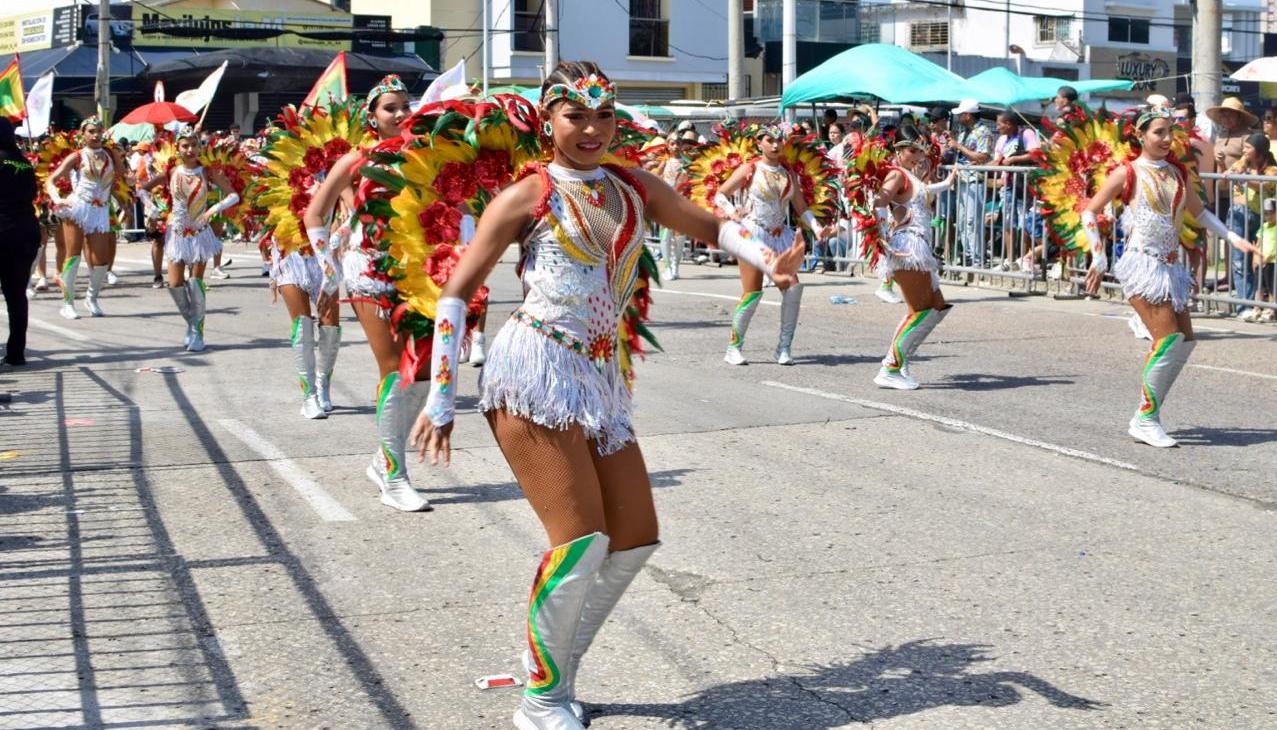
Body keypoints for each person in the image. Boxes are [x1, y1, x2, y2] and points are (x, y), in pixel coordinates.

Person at [408, 60, 803, 730]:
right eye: (575, 115)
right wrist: (439, 398)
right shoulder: (526, 195)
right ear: (548, 119)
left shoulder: (632, 184)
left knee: (634, 537)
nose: (591, 129)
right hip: (533, 371)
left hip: (598, 377)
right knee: (580, 541)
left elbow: (710, 227)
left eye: (603, 116)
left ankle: (552, 667)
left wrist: (768, 260)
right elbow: (454, 293)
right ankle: (540, 698)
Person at [1081, 109, 1250, 448]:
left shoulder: (1176, 172)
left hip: (1172, 268)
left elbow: (1199, 213)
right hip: (1143, 265)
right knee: (1169, 341)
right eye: (1158, 132)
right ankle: (1145, 418)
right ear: (1140, 136)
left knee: (1184, 341)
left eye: (1169, 132)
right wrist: (1099, 258)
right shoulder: (1126, 171)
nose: (1166, 139)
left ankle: (1148, 410)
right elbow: (1090, 210)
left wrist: (1231, 237)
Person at [304, 74, 431, 512]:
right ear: (372, 117)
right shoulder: (356, 160)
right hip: (369, 270)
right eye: (389, 108)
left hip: (415, 271)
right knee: (393, 367)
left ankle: (382, 457)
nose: (399, 114)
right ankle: (395, 476)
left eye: (404, 106)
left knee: (425, 372)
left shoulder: (425, 154)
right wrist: (329, 268)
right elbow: (314, 213)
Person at [714, 123, 833, 366]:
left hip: (781, 237)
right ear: (759, 143)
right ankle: (733, 348)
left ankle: (784, 348)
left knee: (793, 288)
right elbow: (720, 194)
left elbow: (801, 208)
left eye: (779, 140)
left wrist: (819, 229)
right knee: (753, 292)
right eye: (770, 140)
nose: (776, 144)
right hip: (753, 233)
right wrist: (730, 210)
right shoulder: (750, 168)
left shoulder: (789, 174)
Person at [870, 124, 957, 390]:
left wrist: (947, 183)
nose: (917, 155)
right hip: (906, 248)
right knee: (921, 311)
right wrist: (882, 234)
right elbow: (878, 202)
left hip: (919, 248)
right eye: (911, 150)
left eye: (920, 149)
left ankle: (902, 361)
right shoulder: (897, 174)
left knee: (937, 307)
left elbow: (922, 196)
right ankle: (890, 367)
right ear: (898, 150)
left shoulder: (911, 176)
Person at [142, 126, 239, 352]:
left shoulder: (207, 172)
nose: (190, 150)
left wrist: (212, 211)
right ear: (177, 148)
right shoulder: (170, 172)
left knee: (195, 284)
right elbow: (143, 190)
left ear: (199, 147)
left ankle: (197, 333)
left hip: (199, 233)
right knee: (175, 284)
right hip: (176, 233)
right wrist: (152, 210)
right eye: (185, 145)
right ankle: (192, 324)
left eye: (194, 145)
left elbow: (234, 195)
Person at [42, 117, 126, 319]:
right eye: (91, 131)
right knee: (73, 255)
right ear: (83, 134)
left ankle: (91, 298)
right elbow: (51, 180)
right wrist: (56, 199)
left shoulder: (109, 155)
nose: (96, 135)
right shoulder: (77, 156)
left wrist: (116, 156)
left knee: (101, 261)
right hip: (78, 208)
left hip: (101, 211)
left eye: (99, 131)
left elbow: (122, 176)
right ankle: (67, 303)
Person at [0, 119, 41, 366]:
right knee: (16, 295)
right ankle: (17, 353)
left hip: (2, 231)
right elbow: (33, 195)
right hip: (25, 232)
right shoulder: (24, 162)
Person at [1222, 132, 1277, 317]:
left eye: (1248, 147)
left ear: (1259, 151)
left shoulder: (1271, 169)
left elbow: (1265, 186)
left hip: (1261, 218)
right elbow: (1225, 177)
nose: (1244, 150)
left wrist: (1244, 177)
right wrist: (1225, 169)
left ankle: (1261, 304)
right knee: (1239, 261)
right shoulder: (1241, 163)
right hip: (1238, 214)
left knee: (1262, 262)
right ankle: (1244, 305)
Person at [991, 111, 1040, 270]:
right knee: (1007, 222)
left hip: (1023, 186)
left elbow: (1035, 154)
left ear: (1009, 124)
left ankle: (1024, 259)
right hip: (1007, 185)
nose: (997, 127)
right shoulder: (1001, 140)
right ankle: (1010, 260)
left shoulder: (1026, 133)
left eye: (999, 124)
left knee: (1025, 223)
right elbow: (998, 160)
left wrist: (1014, 159)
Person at [948, 99, 992, 269]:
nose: (958, 117)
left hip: (975, 180)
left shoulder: (984, 132)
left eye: (960, 114)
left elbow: (982, 157)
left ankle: (977, 258)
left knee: (972, 221)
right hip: (962, 179)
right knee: (962, 220)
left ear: (968, 115)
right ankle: (967, 255)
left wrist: (958, 146)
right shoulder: (963, 133)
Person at [1208, 96, 1256, 174]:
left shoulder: (1247, 135)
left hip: (1236, 183)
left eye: (1231, 115)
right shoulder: (1220, 135)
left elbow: (1248, 159)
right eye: (1223, 116)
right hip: (1217, 183)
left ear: (1239, 117)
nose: (1226, 119)